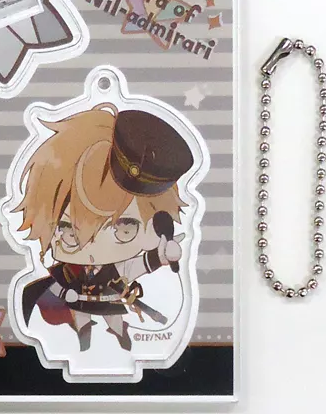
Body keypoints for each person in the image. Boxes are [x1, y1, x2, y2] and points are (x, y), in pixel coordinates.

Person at [14, 104, 194, 351]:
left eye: (124, 229)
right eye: (69, 230)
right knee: (82, 325)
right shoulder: (58, 279)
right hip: (76, 305)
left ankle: (120, 338)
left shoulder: (118, 268)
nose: (93, 245)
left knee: (115, 323)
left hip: (111, 301)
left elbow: (140, 265)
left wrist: (161, 255)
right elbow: (56, 285)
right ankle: (84, 340)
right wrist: (65, 295)